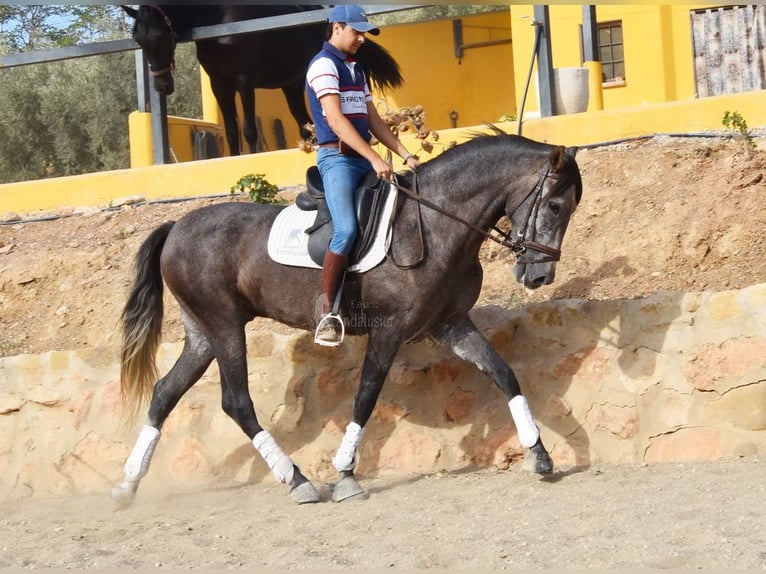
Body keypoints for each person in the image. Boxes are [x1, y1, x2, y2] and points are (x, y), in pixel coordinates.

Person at [306, 4, 420, 346]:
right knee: (347, 230)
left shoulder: (356, 70)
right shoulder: (324, 66)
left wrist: (405, 154)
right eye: (356, 31)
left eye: (363, 32)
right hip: (337, 160)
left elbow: (373, 120)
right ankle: (327, 312)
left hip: (363, 158)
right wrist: (373, 158)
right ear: (336, 27)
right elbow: (337, 121)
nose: (361, 38)